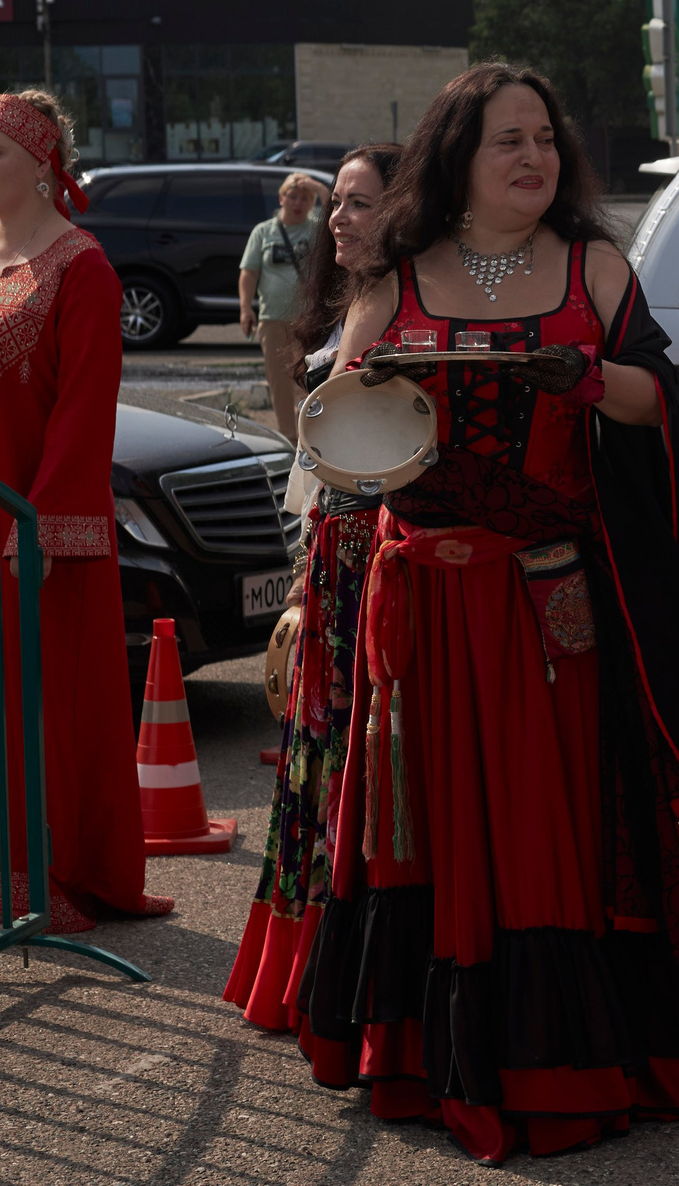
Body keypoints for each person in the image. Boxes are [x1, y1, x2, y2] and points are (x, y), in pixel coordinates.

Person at [290, 65, 679, 1164]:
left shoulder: (593, 266)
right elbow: (337, 429)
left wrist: (579, 376)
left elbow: (655, 400)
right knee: (430, 821)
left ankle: (565, 1061)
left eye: (545, 137)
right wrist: (372, 379)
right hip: (426, 606)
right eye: (507, 141)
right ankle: (434, 1059)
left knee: (545, 825)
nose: (534, 157)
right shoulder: (398, 275)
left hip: (550, 603)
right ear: (458, 156)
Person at [0, 90, 172, 933]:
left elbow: (85, 409)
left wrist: (43, 521)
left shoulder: (83, 267)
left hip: (23, 524)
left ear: (45, 163)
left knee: (28, 701)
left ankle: (38, 875)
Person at [223, 143, 400, 1032]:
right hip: (334, 551)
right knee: (321, 750)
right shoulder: (348, 298)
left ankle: (354, 974)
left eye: (360, 204)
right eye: (337, 201)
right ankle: (305, 966)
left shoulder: (401, 299)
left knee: (362, 754)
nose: (340, 217)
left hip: (379, 558)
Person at [241, 172, 325, 441]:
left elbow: (333, 204)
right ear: (281, 198)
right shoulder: (263, 232)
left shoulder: (315, 229)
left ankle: (311, 437)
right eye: (292, 196)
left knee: (309, 378)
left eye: (305, 198)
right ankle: (288, 438)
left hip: (307, 320)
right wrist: (245, 308)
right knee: (278, 382)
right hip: (272, 319)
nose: (298, 202)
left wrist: (313, 184)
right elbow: (249, 272)